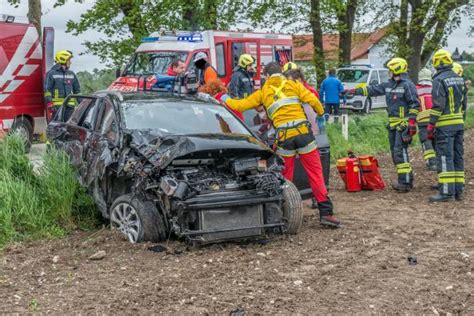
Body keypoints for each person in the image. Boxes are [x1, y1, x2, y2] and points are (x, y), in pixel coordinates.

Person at [216, 62, 341, 228]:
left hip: (284, 138)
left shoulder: (263, 92)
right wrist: (319, 114)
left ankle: (283, 213)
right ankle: (326, 214)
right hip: (304, 135)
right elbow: (314, 101)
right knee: (315, 173)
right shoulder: (293, 84)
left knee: (285, 177)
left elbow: (240, 105)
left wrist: (223, 97)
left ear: (267, 76)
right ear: (281, 73)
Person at [343, 58, 419, 192]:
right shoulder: (389, 84)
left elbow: (414, 104)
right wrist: (353, 91)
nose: (389, 72)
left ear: (396, 70)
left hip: (403, 125)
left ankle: (405, 182)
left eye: (390, 70)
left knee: (400, 153)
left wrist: (411, 123)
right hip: (392, 126)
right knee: (395, 154)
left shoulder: (408, 85)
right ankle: (406, 179)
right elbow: (372, 90)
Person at [428, 50, 467, 202]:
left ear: (436, 63)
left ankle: (446, 192)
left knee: (445, 157)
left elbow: (438, 105)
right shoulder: (459, 79)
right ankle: (458, 190)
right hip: (459, 124)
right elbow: (463, 105)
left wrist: (431, 124)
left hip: (444, 125)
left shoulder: (438, 80)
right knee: (457, 157)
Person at [44, 50, 80, 121]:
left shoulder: (71, 74)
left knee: (69, 127)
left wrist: (82, 104)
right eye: (69, 60)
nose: (70, 62)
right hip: (57, 107)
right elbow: (47, 90)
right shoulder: (51, 73)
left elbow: (77, 91)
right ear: (63, 60)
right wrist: (50, 103)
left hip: (70, 107)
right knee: (56, 127)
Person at [416, 68, 437, 171]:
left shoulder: (415, 89)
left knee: (426, 141)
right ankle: (438, 161)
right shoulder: (435, 88)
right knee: (436, 140)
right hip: (435, 119)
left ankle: (431, 162)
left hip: (422, 120)